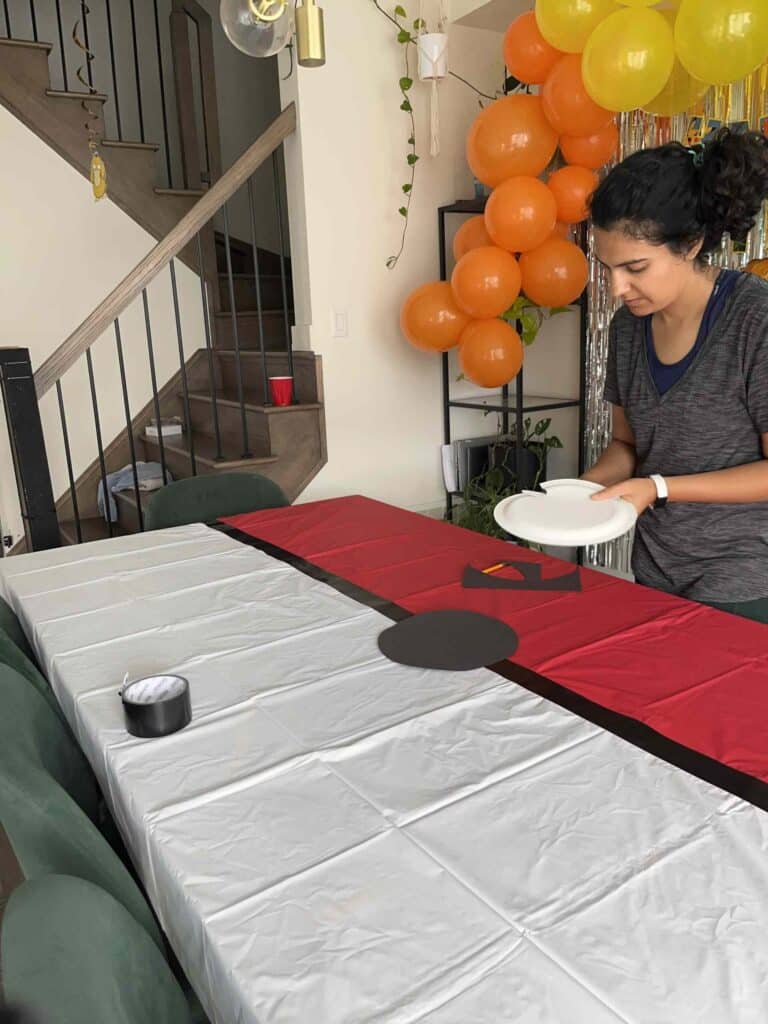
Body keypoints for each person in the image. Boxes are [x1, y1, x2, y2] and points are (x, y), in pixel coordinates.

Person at [582, 128, 768, 623]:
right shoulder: (627, 329)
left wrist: (659, 488)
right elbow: (627, 446)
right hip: (656, 569)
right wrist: (582, 493)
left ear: (690, 244)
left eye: (635, 267)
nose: (618, 287)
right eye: (607, 268)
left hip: (743, 578)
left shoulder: (755, 321)